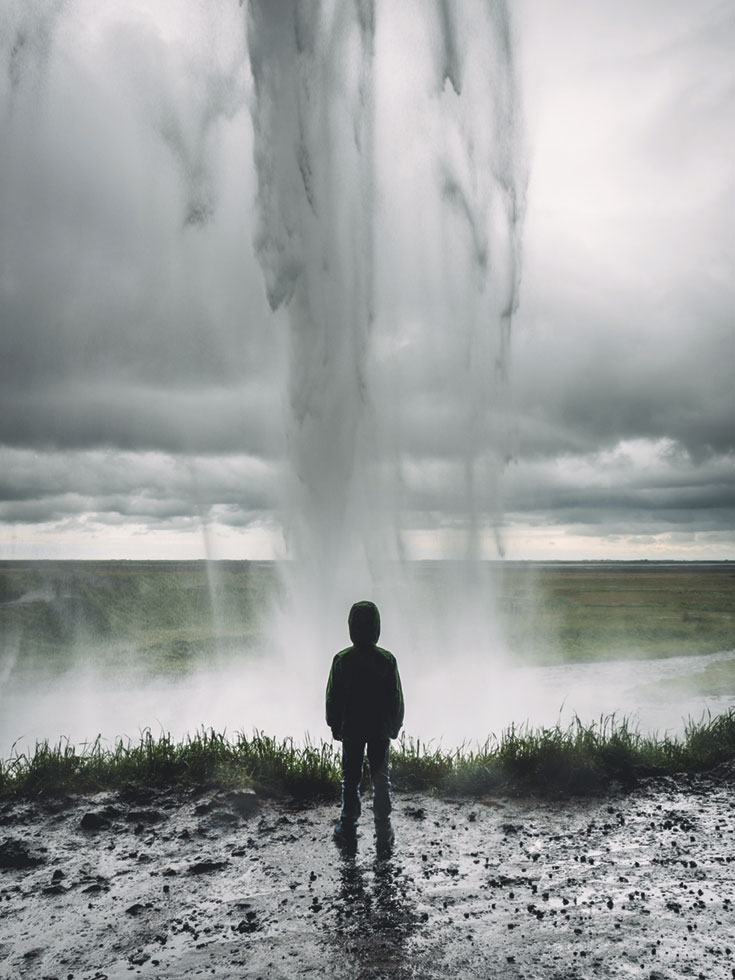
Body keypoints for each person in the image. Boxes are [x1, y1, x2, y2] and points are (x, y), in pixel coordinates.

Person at [326, 600, 404, 850]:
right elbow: (396, 697)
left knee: (350, 778)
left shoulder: (341, 660)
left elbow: (332, 698)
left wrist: (334, 725)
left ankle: (348, 825)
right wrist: (395, 725)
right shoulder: (387, 660)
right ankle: (384, 827)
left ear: (351, 627)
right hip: (380, 730)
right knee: (382, 778)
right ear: (376, 628)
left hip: (351, 730)